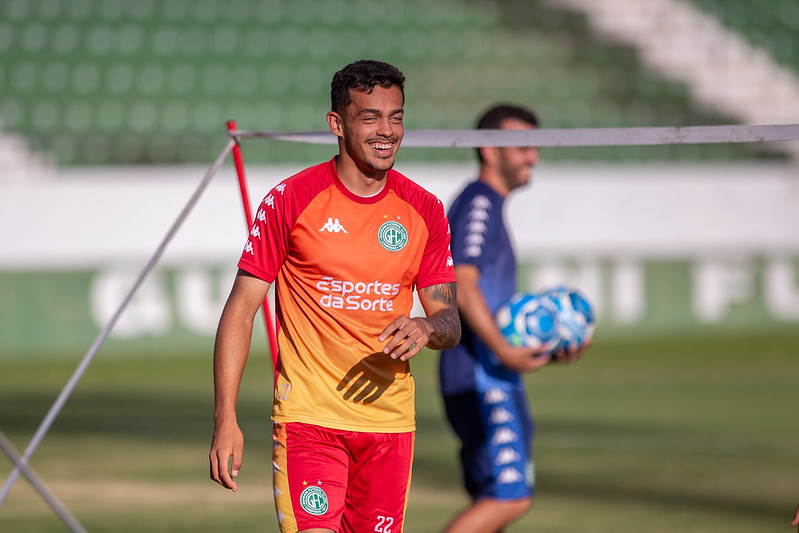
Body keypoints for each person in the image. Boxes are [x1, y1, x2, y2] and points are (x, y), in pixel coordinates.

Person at [209, 59, 461, 533]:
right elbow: (240, 312)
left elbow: (449, 320)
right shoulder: (290, 199)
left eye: (396, 116)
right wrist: (226, 419)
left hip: (389, 428)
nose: (387, 131)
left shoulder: (424, 209)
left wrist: (427, 327)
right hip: (309, 422)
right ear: (337, 124)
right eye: (370, 117)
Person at [439, 104, 590, 533]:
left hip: (491, 376)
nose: (533, 157)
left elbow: (489, 297)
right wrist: (504, 350)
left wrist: (544, 345)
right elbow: (461, 285)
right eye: (523, 146)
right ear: (489, 150)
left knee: (494, 502)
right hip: (481, 377)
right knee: (509, 499)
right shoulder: (480, 205)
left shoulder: (489, 205)